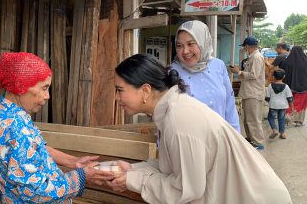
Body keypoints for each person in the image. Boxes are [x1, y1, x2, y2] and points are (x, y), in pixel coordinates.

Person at [106, 53, 292, 204]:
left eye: (119, 90)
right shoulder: (173, 109)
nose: (116, 98)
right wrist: (132, 170)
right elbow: (176, 166)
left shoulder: (179, 119)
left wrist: (131, 180)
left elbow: (185, 190)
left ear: (145, 90)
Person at [0, 52, 114, 203]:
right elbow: (34, 191)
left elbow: (34, 149)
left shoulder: (5, 113)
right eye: (44, 88)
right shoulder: (14, 127)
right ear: (21, 86)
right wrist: (82, 176)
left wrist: (73, 161)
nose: (47, 96)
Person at [170, 20, 240, 132]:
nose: (185, 51)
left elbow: (229, 105)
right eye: (179, 46)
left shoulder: (218, 65)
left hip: (220, 138)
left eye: (190, 44)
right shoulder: (173, 72)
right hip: (189, 143)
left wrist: (236, 137)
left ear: (203, 42)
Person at [229, 36, 265, 149]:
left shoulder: (257, 57)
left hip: (253, 93)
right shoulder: (252, 57)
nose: (244, 49)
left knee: (253, 119)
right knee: (248, 118)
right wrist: (240, 72)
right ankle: (251, 138)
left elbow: (254, 75)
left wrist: (238, 72)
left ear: (247, 46)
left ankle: (258, 142)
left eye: (244, 47)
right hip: (249, 92)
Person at [265, 69, 293, 139]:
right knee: (281, 119)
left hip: (273, 105)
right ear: (284, 77)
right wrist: (292, 107)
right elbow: (290, 98)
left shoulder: (270, 86)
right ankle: (282, 133)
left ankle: (274, 130)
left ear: (274, 77)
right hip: (283, 106)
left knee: (270, 118)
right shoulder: (286, 86)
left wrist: (268, 103)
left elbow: (267, 98)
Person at [283, 46, 307, 126]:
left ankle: (289, 114)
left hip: (290, 87)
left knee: (290, 102)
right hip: (303, 87)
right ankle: (299, 121)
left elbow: (285, 74)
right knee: (302, 103)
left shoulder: (288, 61)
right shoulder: (305, 61)